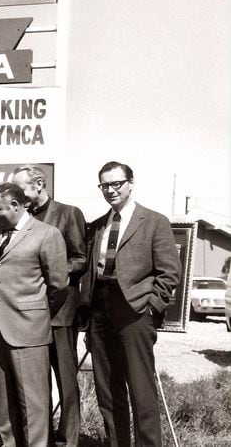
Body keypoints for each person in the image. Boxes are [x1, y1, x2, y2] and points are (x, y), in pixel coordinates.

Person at [80, 161, 181, 447]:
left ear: (130, 183)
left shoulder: (153, 221)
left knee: (141, 389)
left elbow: (170, 271)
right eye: (104, 185)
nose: (110, 190)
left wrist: (151, 307)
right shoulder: (98, 225)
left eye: (116, 184)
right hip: (100, 311)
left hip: (135, 312)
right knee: (108, 390)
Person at [0, 182, 68, 447]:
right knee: (4, 404)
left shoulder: (47, 234)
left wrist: (35, 314)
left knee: (33, 405)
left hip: (29, 332)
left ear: (16, 205)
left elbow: (58, 285)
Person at [12, 164, 87, 446]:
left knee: (66, 382)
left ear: (40, 183)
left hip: (61, 313)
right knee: (34, 384)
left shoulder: (69, 214)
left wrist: (51, 273)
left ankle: (68, 440)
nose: (18, 196)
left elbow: (81, 259)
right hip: (29, 315)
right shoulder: (22, 218)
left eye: (23, 190)